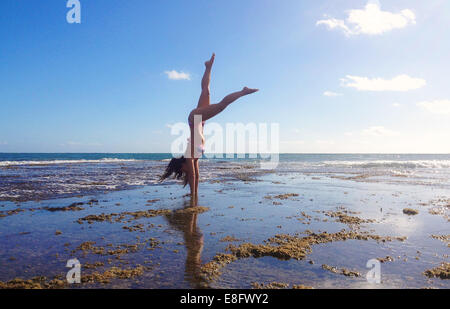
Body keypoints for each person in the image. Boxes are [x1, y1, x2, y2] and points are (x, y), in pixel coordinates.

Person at [160, 53, 258, 200]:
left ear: (181, 166)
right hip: (200, 121)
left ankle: (243, 91)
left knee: (220, 106)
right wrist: (195, 195)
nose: (187, 172)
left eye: (183, 171)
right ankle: (208, 66)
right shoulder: (194, 158)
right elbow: (196, 176)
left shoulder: (188, 155)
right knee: (206, 90)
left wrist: (193, 197)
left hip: (194, 119)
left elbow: (192, 176)